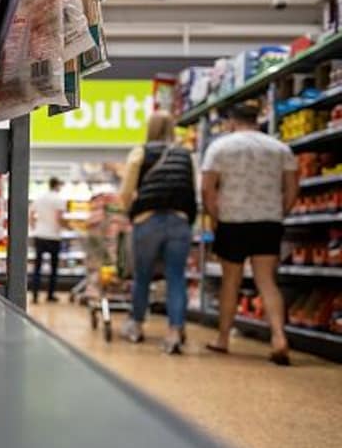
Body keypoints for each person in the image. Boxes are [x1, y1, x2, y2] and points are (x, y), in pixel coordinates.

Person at [202, 103, 298, 366]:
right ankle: (279, 337)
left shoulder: (219, 148)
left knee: (230, 282)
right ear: (257, 120)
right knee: (266, 281)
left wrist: (215, 218)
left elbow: (207, 189)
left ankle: (223, 339)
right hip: (268, 221)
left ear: (231, 122)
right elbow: (291, 188)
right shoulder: (280, 148)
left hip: (233, 221)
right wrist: (280, 213)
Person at [119, 111, 197, 354]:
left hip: (148, 220)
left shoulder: (140, 152)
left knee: (142, 276)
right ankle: (174, 332)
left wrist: (130, 211)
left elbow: (126, 192)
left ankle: (137, 326)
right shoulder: (186, 155)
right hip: (179, 221)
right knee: (176, 276)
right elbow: (191, 191)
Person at [29, 177, 67, 303]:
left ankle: (35, 295)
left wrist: (34, 226)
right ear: (57, 185)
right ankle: (50, 295)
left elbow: (31, 214)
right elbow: (59, 218)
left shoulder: (40, 198)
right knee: (53, 267)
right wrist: (66, 226)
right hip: (54, 236)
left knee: (37, 266)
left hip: (40, 235)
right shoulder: (59, 199)